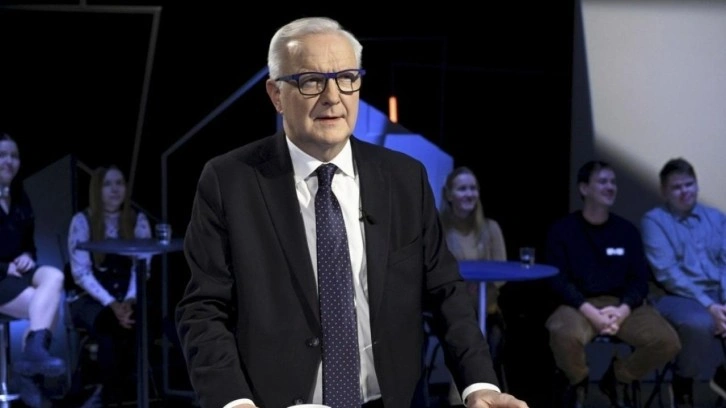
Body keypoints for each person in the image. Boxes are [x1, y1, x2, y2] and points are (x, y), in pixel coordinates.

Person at [175, 16, 529, 408]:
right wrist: (233, 401)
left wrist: (480, 385)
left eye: (346, 78)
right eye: (311, 80)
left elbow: (446, 292)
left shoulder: (404, 179)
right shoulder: (229, 181)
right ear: (276, 94)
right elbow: (203, 309)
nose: (333, 96)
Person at [544, 160, 680, 408]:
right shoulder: (563, 230)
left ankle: (618, 378)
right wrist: (590, 312)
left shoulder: (626, 231)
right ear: (584, 188)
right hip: (579, 305)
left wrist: (623, 309)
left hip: (623, 306)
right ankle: (578, 380)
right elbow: (558, 279)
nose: (610, 187)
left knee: (667, 341)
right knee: (562, 333)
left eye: (613, 182)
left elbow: (639, 280)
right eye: (602, 182)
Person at [641, 157, 726, 407]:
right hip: (674, 295)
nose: (685, 191)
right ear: (664, 191)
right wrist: (710, 306)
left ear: (696, 185)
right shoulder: (654, 221)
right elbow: (668, 273)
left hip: (716, 293)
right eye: (676, 187)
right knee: (699, 323)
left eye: (689, 184)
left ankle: (723, 376)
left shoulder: (716, 218)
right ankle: (682, 381)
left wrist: (724, 301)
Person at [67, 165, 152, 406]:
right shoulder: (82, 221)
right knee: (111, 326)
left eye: (119, 183)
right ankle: (109, 396)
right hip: (90, 298)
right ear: (97, 189)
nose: (115, 189)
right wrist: (112, 304)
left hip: (128, 296)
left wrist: (129, 300)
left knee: (143, 321)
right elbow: (81, 273)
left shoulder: (137, 219)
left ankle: (122, 394)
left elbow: (142, 267)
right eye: (107, 184)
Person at [0, 132, 66, 408]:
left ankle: (31, 358)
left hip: (18, 271)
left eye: (14, 156)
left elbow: (29, 244)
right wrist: (5, 266)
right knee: (47, 305)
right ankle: (29, 375)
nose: (9, 161)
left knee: (55, 276)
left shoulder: (19, 195)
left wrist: (27, 256)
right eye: (2, 155)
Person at [440, 166, 508, 405]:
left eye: (473, 188)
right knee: (457, 333)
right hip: (446, 307)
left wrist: (481, 287)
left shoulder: (491, 228)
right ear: (449, 194)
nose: (469, 194)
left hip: (486, 307)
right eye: (462, 189)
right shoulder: (438, 228)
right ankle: (461, 399)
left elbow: (502, 273)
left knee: (491, 337)